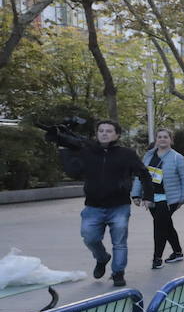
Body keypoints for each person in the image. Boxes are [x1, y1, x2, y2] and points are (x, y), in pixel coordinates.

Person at [46, 118, 152, 288]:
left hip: (119, 206)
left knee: (119, 242)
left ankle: (118, 273)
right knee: (89, 238)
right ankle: (102, 258)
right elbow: (73, 168)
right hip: (93, 206)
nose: (104, 133)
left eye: (109, 131)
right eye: (101, 130)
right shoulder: (87, 150)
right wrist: (61, 144)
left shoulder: (127, 154)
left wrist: (148, 196)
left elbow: (144, 174)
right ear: (97, 134)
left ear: (117, 135)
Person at [132, 128, 184, 270]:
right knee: (166, 226)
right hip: (151, 198)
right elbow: (140, 176)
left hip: (169, 199)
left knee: (159, 226)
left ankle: (156, 258)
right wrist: (136, 194)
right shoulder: (148, 156)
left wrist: (182, 199)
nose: (162, 139)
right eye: (160, 137)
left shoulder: (178, 158)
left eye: (166, 137)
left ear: (171, 140)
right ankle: (178, 252)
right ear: (156, 139)